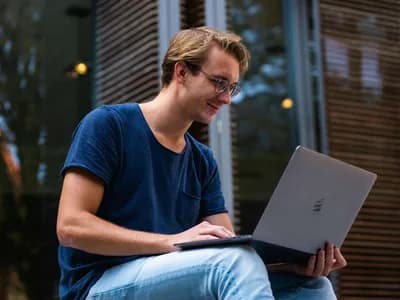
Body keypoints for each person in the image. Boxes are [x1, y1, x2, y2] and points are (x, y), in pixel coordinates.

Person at [56, 26, 347, 300]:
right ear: (181, 71)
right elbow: (70, 227)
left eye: (232, 88)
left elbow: (230, 252)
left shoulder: (201, 159)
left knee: (311, 286)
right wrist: (170, 242)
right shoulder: (109, 125)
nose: (226, 99)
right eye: (219, 82)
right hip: (98, 285)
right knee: (234, 260)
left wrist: (290, 266)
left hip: (170, 279)